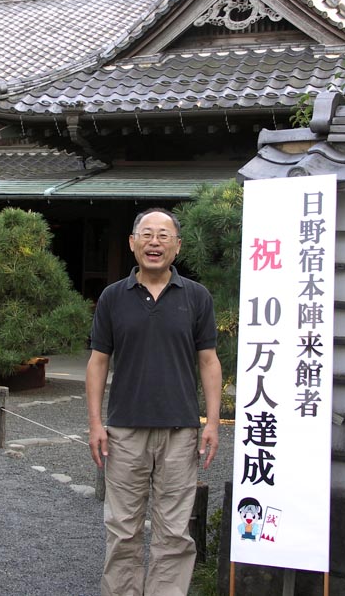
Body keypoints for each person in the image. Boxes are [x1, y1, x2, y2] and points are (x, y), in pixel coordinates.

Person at [86, 208, 222, 596]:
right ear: (132, 243)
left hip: (180, 430)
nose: (155, 242)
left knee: (174, 532)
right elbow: (98, 363)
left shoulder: (196, 297)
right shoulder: (113, 297)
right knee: (123, 527)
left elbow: (209, 362)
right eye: (147, 234)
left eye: (164, 235)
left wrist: (212, 422)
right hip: (125, 429)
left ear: (177, 246)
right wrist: (96, 423)